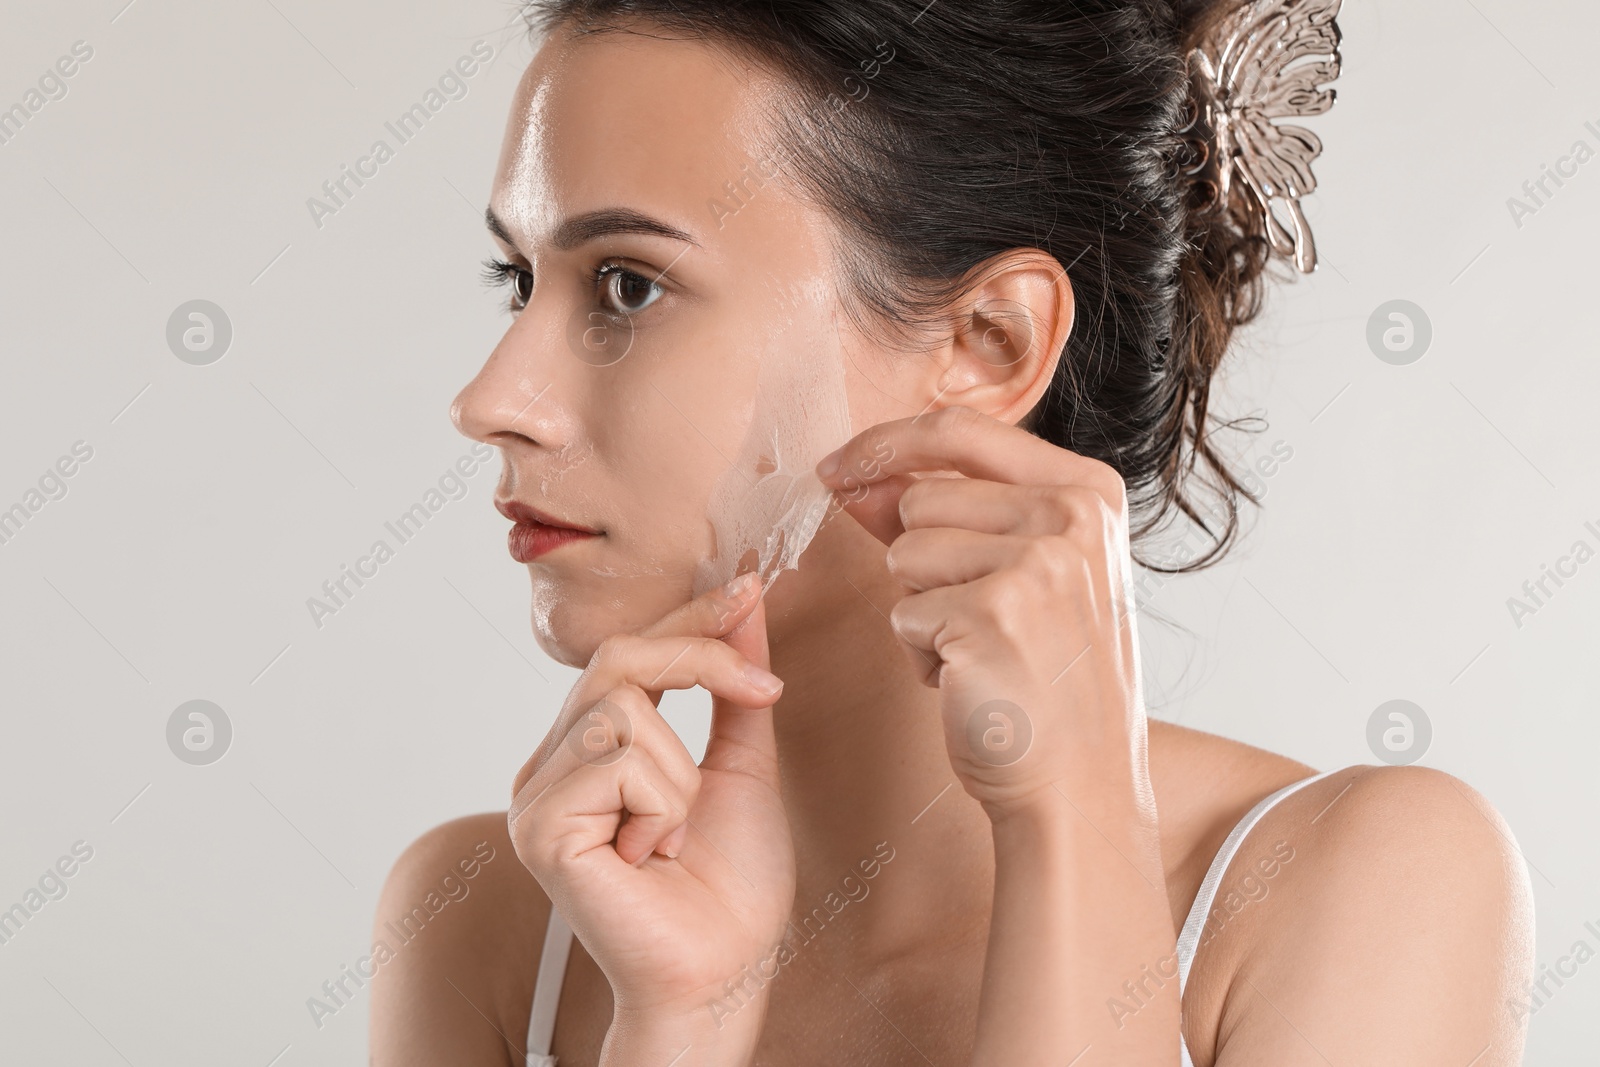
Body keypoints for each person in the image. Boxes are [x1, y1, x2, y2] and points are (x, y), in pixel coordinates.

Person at [370, 1, 1534, 1063]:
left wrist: (1071, 821)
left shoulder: (1360, 881)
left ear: (988, 342)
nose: (492, 399)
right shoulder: (489, 921)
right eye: (517, 278)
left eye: (627, 284)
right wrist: (673, 1020)